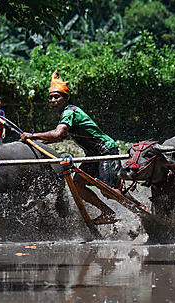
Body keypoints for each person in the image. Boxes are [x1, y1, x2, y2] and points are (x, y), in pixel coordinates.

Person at [20, 70, 121, 224]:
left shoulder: (70, 112)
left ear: (66, 98)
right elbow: (60, 137)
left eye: (57, 96)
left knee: (108, 190)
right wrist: (35, 143)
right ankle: (107, 212)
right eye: (50, 97)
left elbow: (58, 134)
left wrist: (32, 135)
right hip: (93, 154)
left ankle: (140, 211)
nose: (53, 100)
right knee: (77, 185)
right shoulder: (66, 114)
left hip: (106, 151)